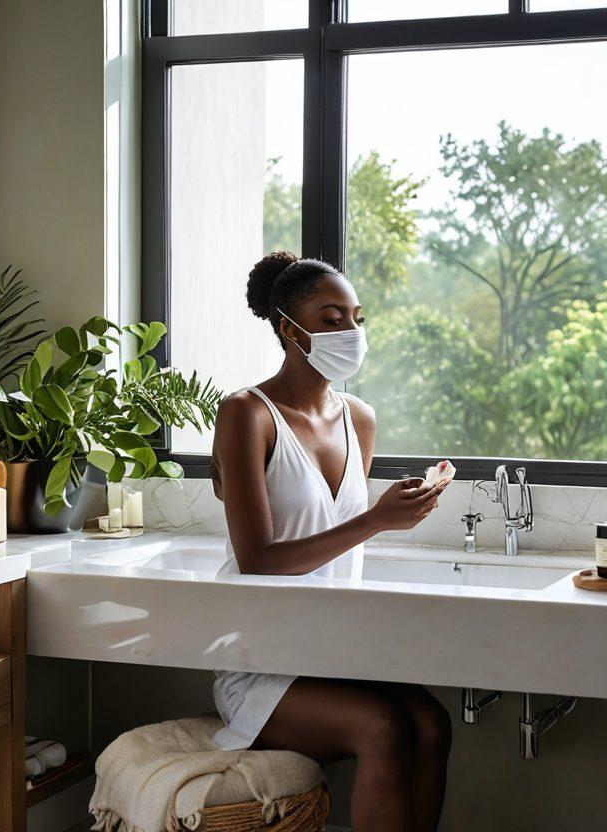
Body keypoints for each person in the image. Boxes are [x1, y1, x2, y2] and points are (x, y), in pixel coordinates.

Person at [209, 251, 452, 831]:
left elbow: (340, 537)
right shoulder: (248, 413)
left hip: (334, 649)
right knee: (385, 728)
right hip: (262, 660)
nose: (352, 332)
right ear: (289, 329)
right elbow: (258, 560)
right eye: (331, 317)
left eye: (356, 317)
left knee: (433, 724)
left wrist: (397, 512)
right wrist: (375, 520)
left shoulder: (359, 419)